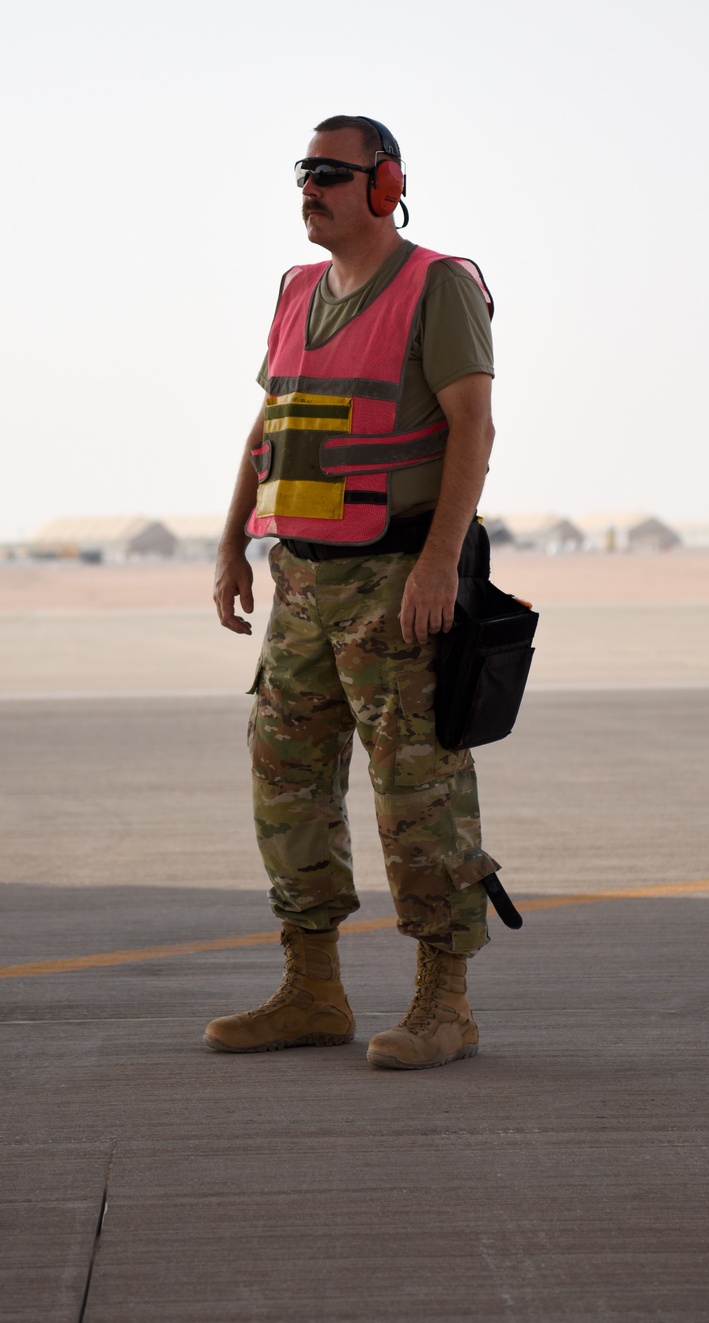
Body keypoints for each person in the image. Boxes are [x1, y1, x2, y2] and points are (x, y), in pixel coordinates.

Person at [205, 115, 500, 1069]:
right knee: (286, 784)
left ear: (384, 186)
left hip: (395, 576)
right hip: (301, 581)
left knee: (418, 792)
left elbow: (474, 431)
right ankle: (312, 991)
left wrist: (436, 565)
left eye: (332, 173)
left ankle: (444, 1003)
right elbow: (271, 421)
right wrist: (231, 544)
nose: (310, 187)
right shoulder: (296, 291)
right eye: (304, 171)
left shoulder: (437, 285)